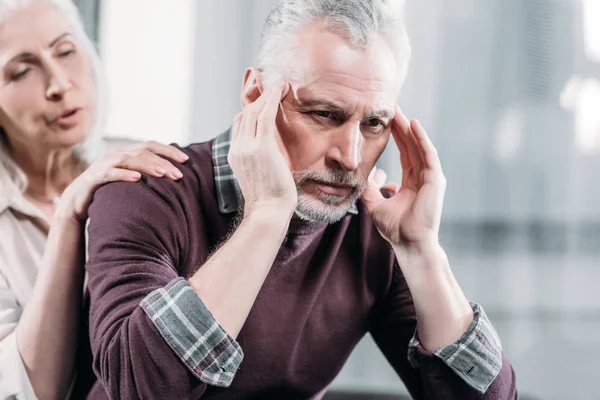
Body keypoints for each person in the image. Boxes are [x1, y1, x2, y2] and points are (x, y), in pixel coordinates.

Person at [79, 0, 518, 399]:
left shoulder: (375, 228)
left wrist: (421, 251)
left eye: (374, 123)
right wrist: (267, 216)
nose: (349, 156)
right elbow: (138, 387)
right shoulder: (147, 192)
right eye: (324, 114)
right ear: (255, 96)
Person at [0, 1, 189, 399]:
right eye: (21, 71)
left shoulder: (142, 165)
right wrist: (69, 213)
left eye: (66, 51)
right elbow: (34, 391)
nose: (59, 84)